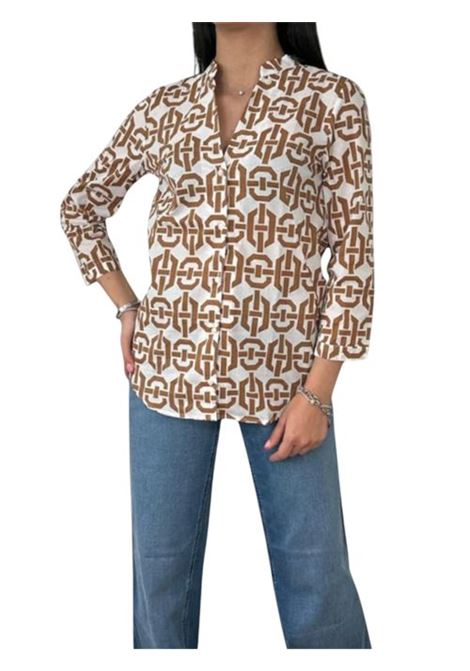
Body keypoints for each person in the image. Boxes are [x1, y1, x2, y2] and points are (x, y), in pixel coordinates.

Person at [60, 22, 374, 649]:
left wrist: (319, 392)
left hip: (288, 381)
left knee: (317, 584)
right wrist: (126, 306)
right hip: (167, 371)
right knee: (160, 586)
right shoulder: (165, 108)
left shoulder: (331, 100)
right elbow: (80, 207)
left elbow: (354, 257)